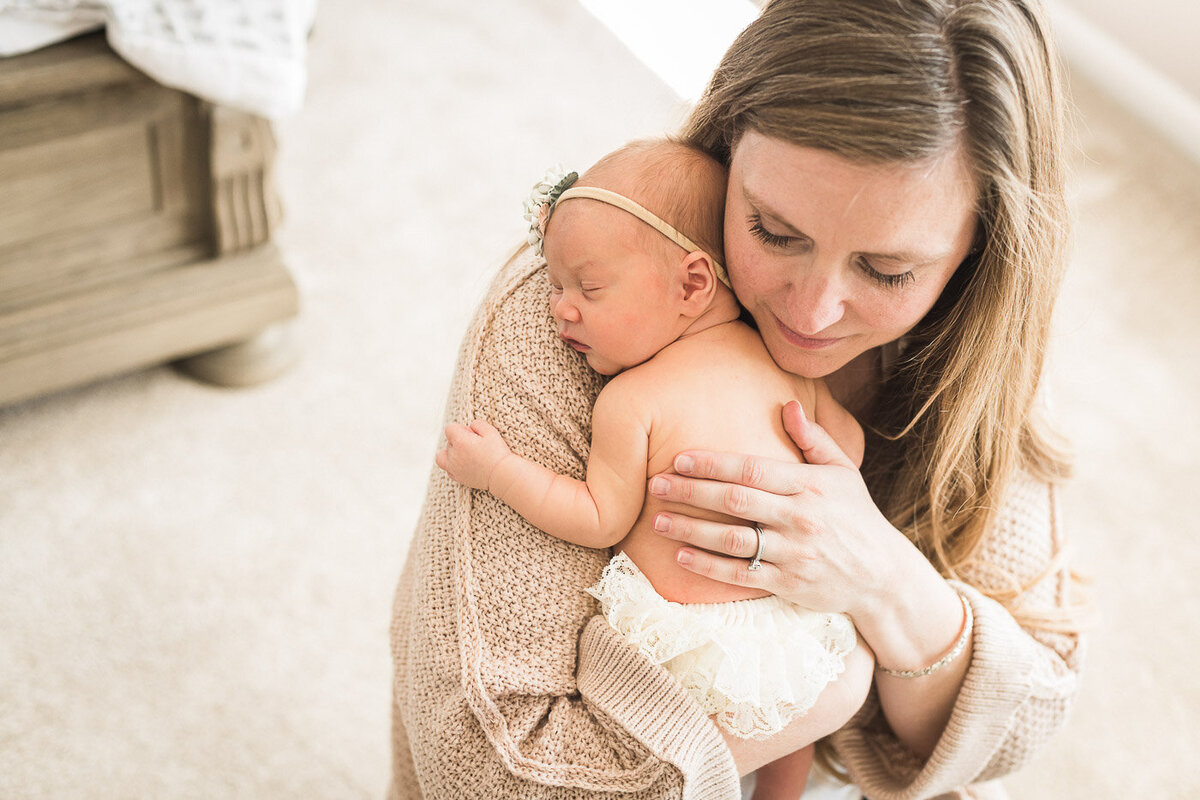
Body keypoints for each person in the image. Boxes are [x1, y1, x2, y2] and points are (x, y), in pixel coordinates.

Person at [389, 0, 1087, 797]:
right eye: (773, 230)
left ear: (977, 252)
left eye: (887, 271)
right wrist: (824, 696)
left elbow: (1027, 712)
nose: (811, 312)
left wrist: (880, 578)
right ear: (730, 137)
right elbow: (488, 768)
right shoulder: (578, 313)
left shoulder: (980, 365)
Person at [435, 138, 873, 800]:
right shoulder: (780, 367)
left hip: (683, 652)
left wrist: (499, 471)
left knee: (676, 765)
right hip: (788, 626)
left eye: (589, 287)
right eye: (555, 287)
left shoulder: (632, 399)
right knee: (793, 729)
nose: (560, 309)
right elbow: (847, 447)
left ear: (693, 284)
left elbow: (593, 515)